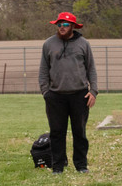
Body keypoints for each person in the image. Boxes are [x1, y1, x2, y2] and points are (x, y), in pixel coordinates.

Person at [39, 10, 98, 174]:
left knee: (79, 132)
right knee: (57, 132)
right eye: (59, 24)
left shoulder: (83, 44)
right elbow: (43, 71)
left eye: (65, 24)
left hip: (80, 95)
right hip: (55, 96)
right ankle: (58, 166)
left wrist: (93, 91)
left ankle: (81, 165)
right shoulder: (48, 45)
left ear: (73, 26)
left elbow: (91, 69)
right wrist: (46, 92)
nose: (62, 27)